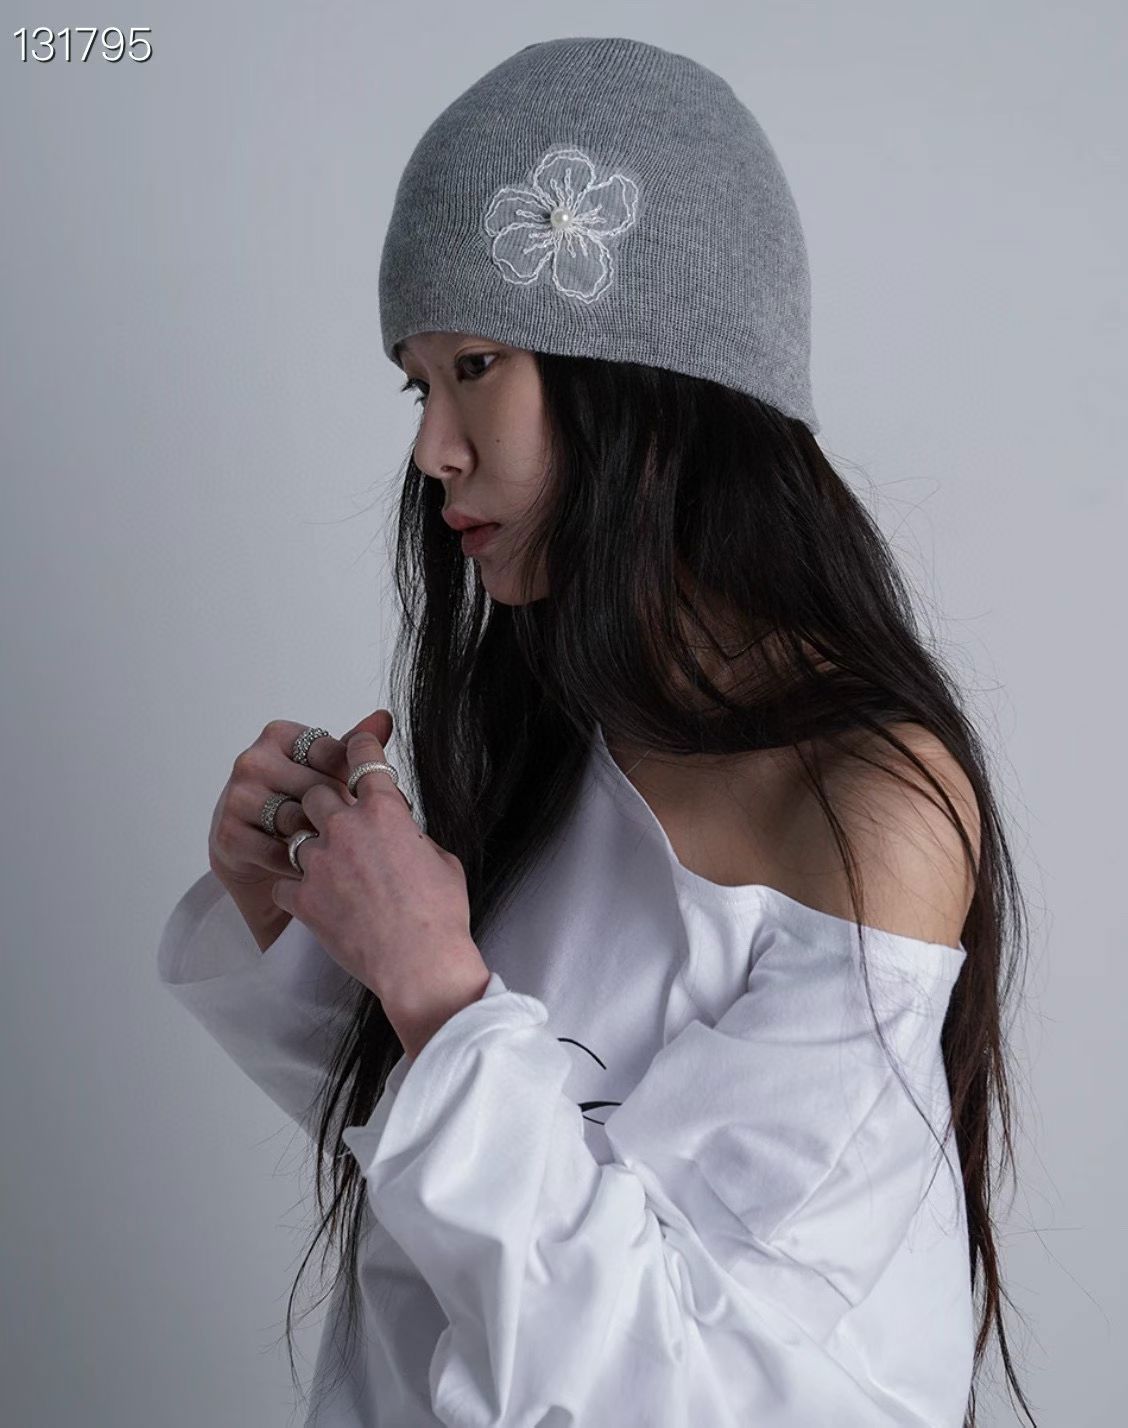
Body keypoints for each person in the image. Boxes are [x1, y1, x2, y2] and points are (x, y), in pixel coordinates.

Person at [157, 36, 1038, 1428]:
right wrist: (314, 917)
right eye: (419, 384)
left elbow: (664, 1369)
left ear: (652, 372)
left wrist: (435, 983)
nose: (433, 449)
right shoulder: (568, 717)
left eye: (478, 365)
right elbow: (462, 1167)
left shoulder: (874, 802)